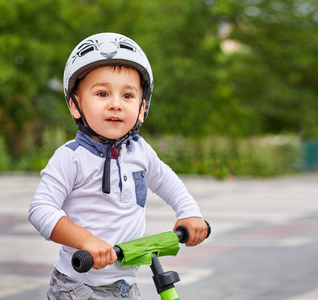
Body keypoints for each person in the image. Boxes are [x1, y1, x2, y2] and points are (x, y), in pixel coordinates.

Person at [29, 32, 208, 300]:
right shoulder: (71, 157)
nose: (115, 104)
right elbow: (40, 209)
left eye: (127, 95)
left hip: (126, 284)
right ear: (75, 105)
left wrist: (189, 212)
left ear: (142, 107)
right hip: (78, 285)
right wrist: (86, 241)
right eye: (102, 93)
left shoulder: (140, 151)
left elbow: (166, 180)